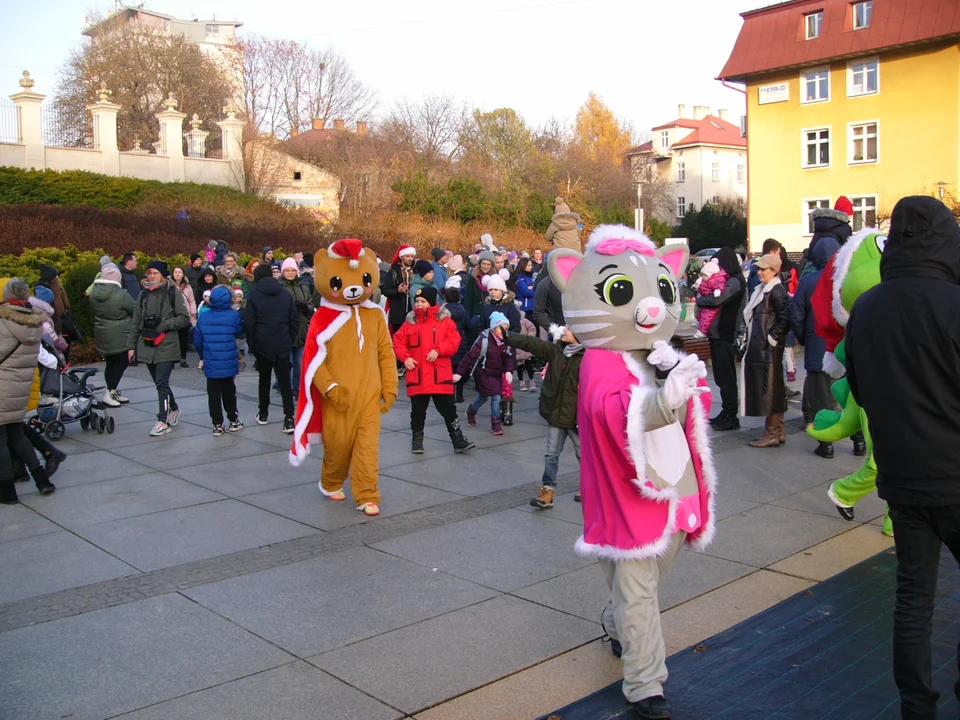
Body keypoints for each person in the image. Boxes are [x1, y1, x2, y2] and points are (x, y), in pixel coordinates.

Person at [844, 197, 960, 720]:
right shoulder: (954, 302)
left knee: (913, 598)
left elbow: (862, 393)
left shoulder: (867, 307)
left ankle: (917, 707)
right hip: (956, 474)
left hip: (902, 478)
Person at [506, 324, 584, 508]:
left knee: (584, 455)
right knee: (551, 454)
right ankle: (547, 491)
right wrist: (508, 336)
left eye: (570, 329)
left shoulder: (589, 358)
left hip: (576, 418)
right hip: (556, 413)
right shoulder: (557, 350)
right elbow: (531, 343)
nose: (564, 330)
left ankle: (589, 486)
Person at [393, 285, 475, 455]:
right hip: (419, 376)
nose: (419, 304)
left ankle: (457, 439)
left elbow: (454, 341)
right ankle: (417, 440)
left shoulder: (445, 322)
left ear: (431, 302)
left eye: (423, 301)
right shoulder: (410, 323)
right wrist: (406, 357)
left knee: (449, 410)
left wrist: (438, 349)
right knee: (417, 412)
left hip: (440, 375)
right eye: (417, 301)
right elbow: (398, 342)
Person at [0, 278, 56, 504]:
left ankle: (7, 492)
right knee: (17, 434)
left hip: (2, 384)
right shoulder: (33, 322)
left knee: (1, 441)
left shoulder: (4, 321)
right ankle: (42, 480)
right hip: (20, 386)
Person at [790, 236, 841, 457]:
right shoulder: (846, 280)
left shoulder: (809, 281)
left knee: (820, 400)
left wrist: (804, 338)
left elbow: (796, 314)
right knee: (850, 398)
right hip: (844, 349)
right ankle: (859, 441)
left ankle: (826, 444)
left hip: (818, 347)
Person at [130, 261, 190, 437]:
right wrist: (131, 346)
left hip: (167, 344)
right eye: (149, 273)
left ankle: (162, 420)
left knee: (162, 382)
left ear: (163, 275)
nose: (152, 276)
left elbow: (184, 319)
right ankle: (173, 408)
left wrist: (165, 325)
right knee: (159, 382)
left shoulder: (173, 293)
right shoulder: (143, 295)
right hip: (147, 343)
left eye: (155, 273)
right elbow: (135, 322)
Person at [742, 252, 790, 448]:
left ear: (773, 271)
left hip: (767, 348)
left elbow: (786, 318)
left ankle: (772, 432)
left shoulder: (775, 290)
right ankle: (777, 430)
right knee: (773, 388)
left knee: (769, 389)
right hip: (764, 346)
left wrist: (772, 337)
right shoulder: (765, 289)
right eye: (759, 268)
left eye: (763, 269)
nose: (759, 272)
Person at [243, 264, 298, 433]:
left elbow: (249, 324)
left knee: (264, 380)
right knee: (285, 382)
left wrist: (252, 346)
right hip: (282, 342)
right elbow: (293, 320)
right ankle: (289, 418)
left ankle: (263, 413)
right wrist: (289, 339)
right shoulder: (285, 294)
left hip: (262, 343)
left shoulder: (253, 296)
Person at [696, 248, 746, 433]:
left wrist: (701, 299)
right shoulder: (727, 279)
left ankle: (731, 415)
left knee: (726, 377)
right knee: (721, 376)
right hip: (717, 333)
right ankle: (726, 411)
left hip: (726, 333)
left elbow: (718, 300)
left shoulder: (735, 281)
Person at [194, 286, 245, 436]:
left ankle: (217, 424)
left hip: (211, 359)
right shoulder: (233, 315)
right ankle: (233, 419)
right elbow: (239, 333)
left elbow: (198, 339)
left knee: (213, 393)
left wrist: (202, 356)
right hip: (228, 359)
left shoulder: (204, 316)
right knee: (229, 391)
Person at [455, 312, 514, 436]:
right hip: (483, 373)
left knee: (494, 397)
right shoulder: (484, 341)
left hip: (497, 374)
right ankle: (473, 412)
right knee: (485, 396)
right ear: (493, 328)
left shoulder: (506, 342)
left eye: (506, 328)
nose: (504, 331)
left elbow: (509, 358)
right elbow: (469, 357)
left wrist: (509, 371)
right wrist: (459, 373)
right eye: (501, 328)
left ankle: (495, 423)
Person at [89, 264, 135, 407]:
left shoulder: (94, 293)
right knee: (122, 362)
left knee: (111, 362)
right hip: (120, 333)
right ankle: (109, 393)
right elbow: (135, 309)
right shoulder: (122, 295)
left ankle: (112, 391)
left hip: (102, 331)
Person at [278, 257, 313, 398]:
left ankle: (296, 387)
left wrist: (305, 307)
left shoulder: (303, 286)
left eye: (293, 270)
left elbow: (311, 304)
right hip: (285, 328)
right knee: (287, 362)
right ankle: (284, 385)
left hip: (301, 326)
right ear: (283, 272)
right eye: (287, 270)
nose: (290, 273)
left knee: (299, 361)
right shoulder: (279, 287)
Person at [442, 280, 471, 403]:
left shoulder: (443, 311)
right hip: (461, 342)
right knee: (460, 369)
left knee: (449, 369)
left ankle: (450, 392)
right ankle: (459, 392)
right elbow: (468, 326)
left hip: (448, 342)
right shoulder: (462, 310)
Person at [382, 245, 417, 335]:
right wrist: (398, 291)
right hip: (398, 313)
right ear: (401, 257)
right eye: (407, 256)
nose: (410, 259)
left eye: (412, 256)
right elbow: (385, 290)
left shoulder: (416, 271)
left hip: (413, 312)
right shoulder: (393, 271)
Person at [691, 258, 728, 339]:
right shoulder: (707, 280)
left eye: (705, 275)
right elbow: (702, 286)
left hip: (710, 302)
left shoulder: (716, 279)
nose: (703, 277)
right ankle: (699, 322)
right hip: (705, 298)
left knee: (706, 316)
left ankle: (702, 331)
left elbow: (719, 286)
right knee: (700, 313)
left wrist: (717, 291)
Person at [171, 266, 198, 368]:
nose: (177, 274)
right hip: (173, 315)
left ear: (183, 274)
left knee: (183, 338)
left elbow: (192, 300)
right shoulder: (169, 286)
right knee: (173, 338)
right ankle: (172, 359)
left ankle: (183, 358)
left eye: (180, 272)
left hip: (185, 315)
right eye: (176, 272)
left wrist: (193, 312)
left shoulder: (187, 286)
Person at [512, 257, 538, 332]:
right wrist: (536, 292)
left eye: (531, 265)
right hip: (525, 308)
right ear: (523, 266)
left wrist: (532, 288)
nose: (531, 267)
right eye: (528, 265)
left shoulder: (531, 277)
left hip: (533, 307)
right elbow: (526, 291)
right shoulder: (520, 278)